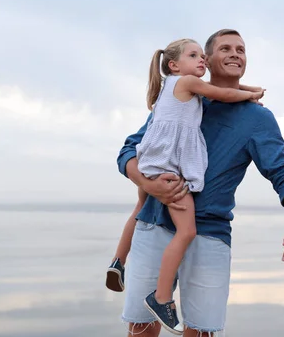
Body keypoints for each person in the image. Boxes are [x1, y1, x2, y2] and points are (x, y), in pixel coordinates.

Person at [116, 29, 284, 336]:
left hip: (210, 232)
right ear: (207, 61)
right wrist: (148, 183)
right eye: (225, 48)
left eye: (241, 49)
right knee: (141, 327)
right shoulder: (180, 98)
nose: (235, 53)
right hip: (154, 223)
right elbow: (130, 149)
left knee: (201, 332)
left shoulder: (257, 118)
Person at [106, 38, 265, 333]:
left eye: (202, 56)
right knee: (187, 230)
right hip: (168, 172)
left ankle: (118, 260)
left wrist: (248, 91)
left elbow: (222, 91)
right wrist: (250, 93)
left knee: (140, 206)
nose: (201, 61)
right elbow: (222, 93)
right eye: (195, 56)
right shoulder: (190, 84)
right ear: (174, 65)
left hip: (152, 163)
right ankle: (161, 297)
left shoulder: (172, 90)